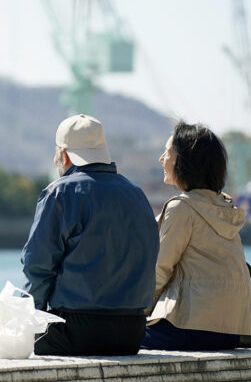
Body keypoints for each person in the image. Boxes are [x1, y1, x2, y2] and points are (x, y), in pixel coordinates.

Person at [21, 114, 159, 356]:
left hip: (75, 332)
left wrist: (29, 321)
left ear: (63, 155)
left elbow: (38, 265)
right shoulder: (136, 195)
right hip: (132, 333)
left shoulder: (60, 193)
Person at [142, 121, 251, 351]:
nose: (161, 159)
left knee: (117, 338)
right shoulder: (224, 206)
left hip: (189, 326)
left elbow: (158, 271)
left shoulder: (181, 209)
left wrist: (135, 312)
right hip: (231, 331)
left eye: (167, 152)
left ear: (184, 161)